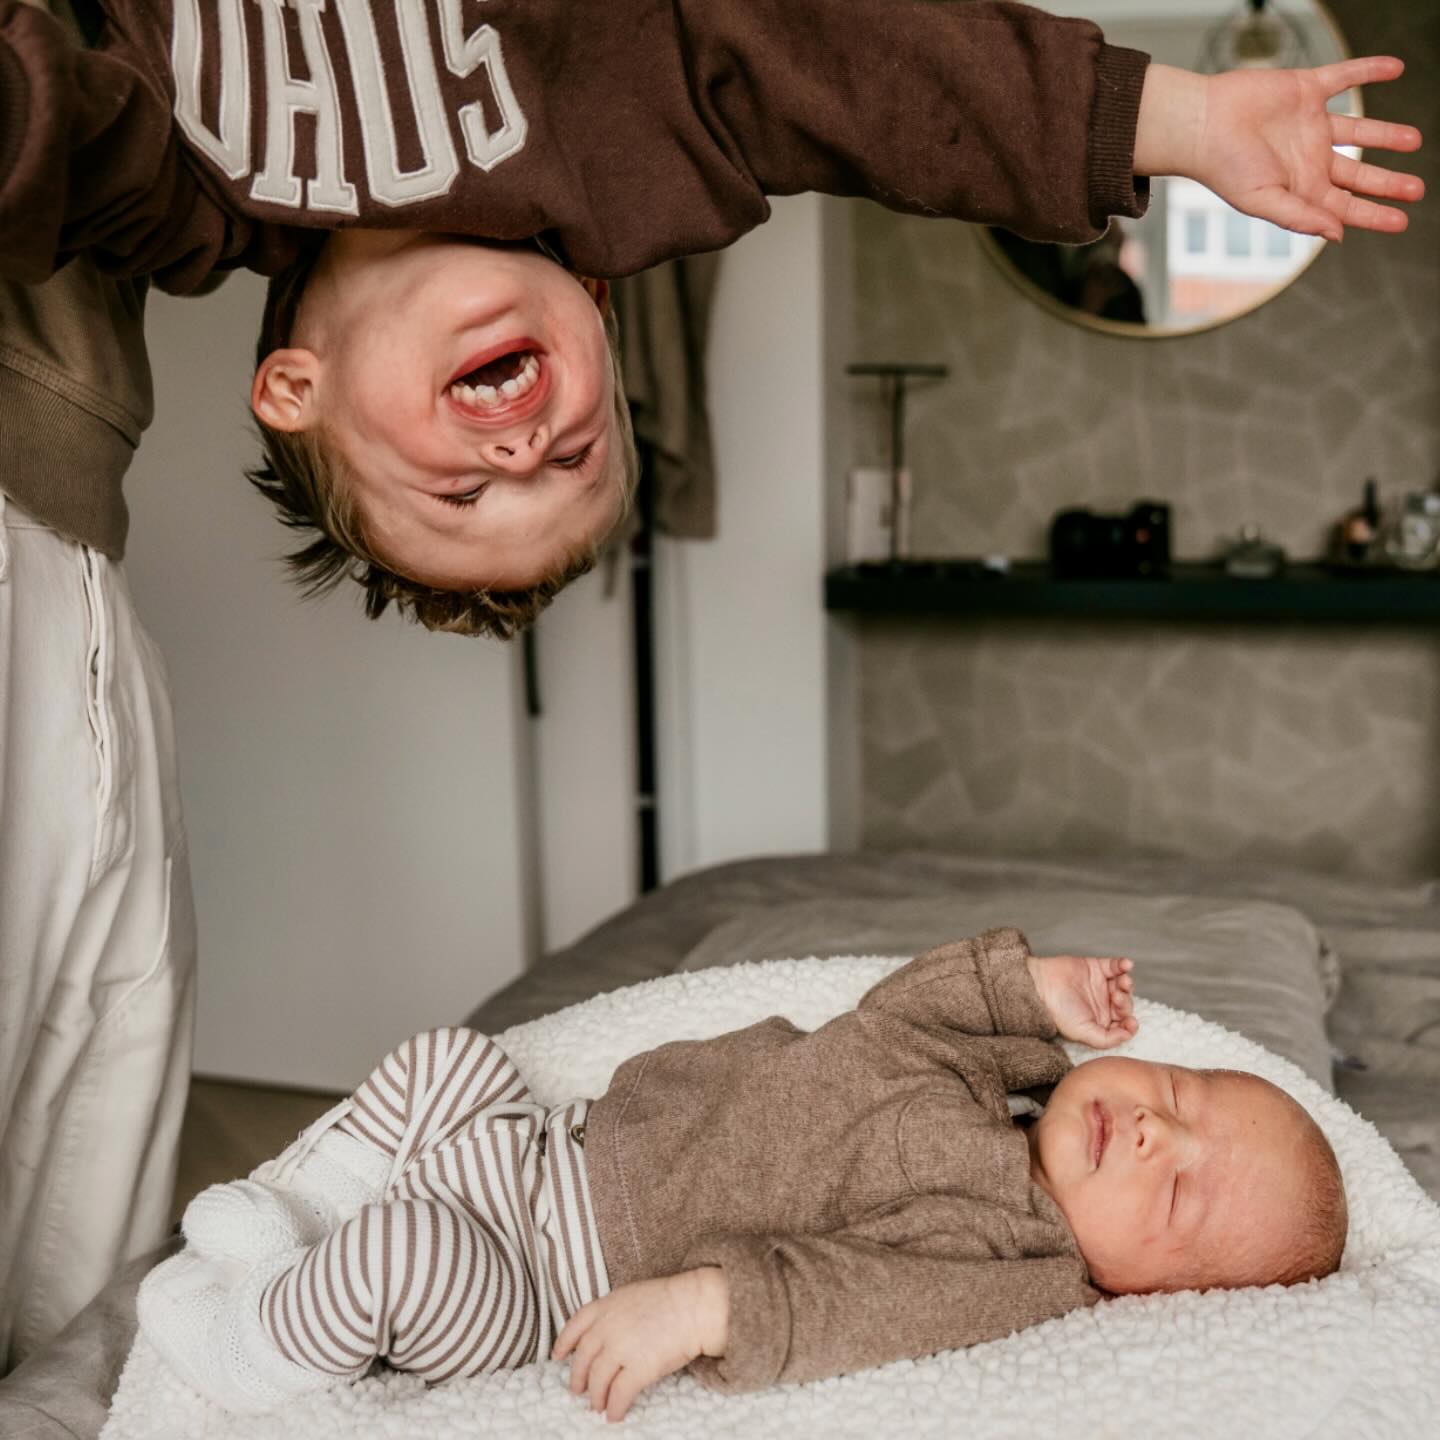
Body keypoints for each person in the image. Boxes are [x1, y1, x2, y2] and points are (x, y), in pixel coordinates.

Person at [0, 1, 1424, 635]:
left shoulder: (193, 200)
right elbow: (855, 77)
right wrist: (1166, 119)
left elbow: (49, 136)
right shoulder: (627, 154)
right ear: (601, 309)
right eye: (577, 458)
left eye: (458, 486)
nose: (521, 454)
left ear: (291, 388)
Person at [136, 928, 1347, 1421]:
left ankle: (248, 1341)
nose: (1150, 1134)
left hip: (544, 1274)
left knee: (403, 1262)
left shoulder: (1015, 1258)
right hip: (545, 1152)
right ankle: (308, 1215)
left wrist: (706, 1304)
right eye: (1178, 1098)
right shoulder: (995, 1087)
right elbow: (900, 1009)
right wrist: (1032, 990)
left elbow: (858, 1303)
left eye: (1178, 1190)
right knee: (452, 1061)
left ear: (1156, 1292)